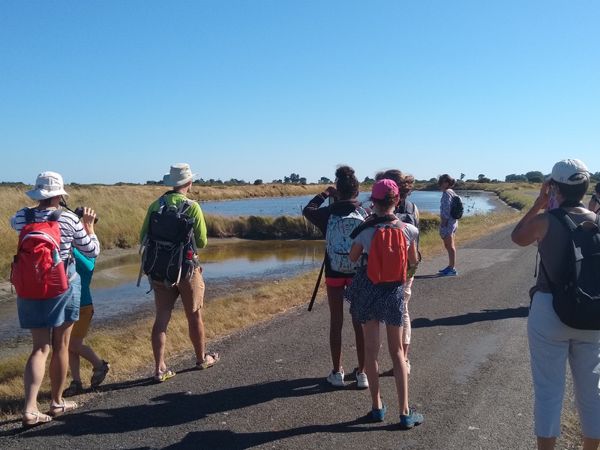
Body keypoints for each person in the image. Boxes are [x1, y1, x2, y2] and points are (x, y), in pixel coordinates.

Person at [511, 159, 600, 450]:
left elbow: (518, 237)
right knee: (593, 391)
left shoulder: (546, 220)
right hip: (592, 312)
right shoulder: (597, 222)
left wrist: (540, 201)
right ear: (586, 186)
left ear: (554, 188)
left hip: (550, 309)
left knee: (549, 390)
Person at [11, 171, 100, 427]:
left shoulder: (21, 216)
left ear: (38, 194)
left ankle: (30, 408)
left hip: (29, 286)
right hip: (62, 286)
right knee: (61, 345)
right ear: (60, 194)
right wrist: (89, 227)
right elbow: (92, 250)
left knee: (39, 348)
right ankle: (57, 402)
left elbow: (13, 224)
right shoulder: (70, 219)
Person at [345, 179, 424, 428]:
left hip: (369, 290)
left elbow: (353, 257)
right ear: (397, 201)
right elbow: (413, 261)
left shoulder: (367, 230)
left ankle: (377, 407)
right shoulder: (408, 229)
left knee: (371, 351)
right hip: (394, 292)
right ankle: (404, 412)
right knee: (397, 351)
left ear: (373, 203)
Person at [140, 163, 218, 382]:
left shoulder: (156, 205)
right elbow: (201, 241)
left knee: (161, 318)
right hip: (187, 270)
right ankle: (201, 359)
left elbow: (143, 237)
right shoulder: (192, 207)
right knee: (194, 316)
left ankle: (159, 369)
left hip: (159, 270)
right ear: (189, 183)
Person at [302, 166, 368, 388]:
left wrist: (324, 194)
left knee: (336, 322)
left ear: (337, 191)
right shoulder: (365, 214)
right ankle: (362, 374)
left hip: (334, 272)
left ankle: (337, 372)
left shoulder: (327, 214)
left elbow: (308, 209)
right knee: (359, 323)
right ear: (357, 191)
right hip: (359, 273)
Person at [375, 170, 420, 374]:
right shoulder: (413, 208)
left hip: (382, 268)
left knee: (374, 314)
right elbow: (415, 239)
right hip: (407, 267)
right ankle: (403, 360)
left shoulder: (376, 209)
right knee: (403, 312)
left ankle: (370, 361)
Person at [63, 247, 110, 396]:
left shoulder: (88, 249)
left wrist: (70, 247)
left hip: (84, 306)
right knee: (70, 346)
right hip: (66, 304)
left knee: (73, 344)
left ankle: (100, 365)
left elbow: (88, 267)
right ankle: (76, 382)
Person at [438, 174, 458, 276]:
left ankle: (452, 268)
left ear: (446, 183)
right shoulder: (453, 193)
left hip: (448, 223)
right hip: (453, 222)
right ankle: (450, 266)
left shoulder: (446, 193)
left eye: (441, 183)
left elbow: (446, 210)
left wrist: (443, 224)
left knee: (450, 246)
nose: (439, 185)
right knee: (449, 245)